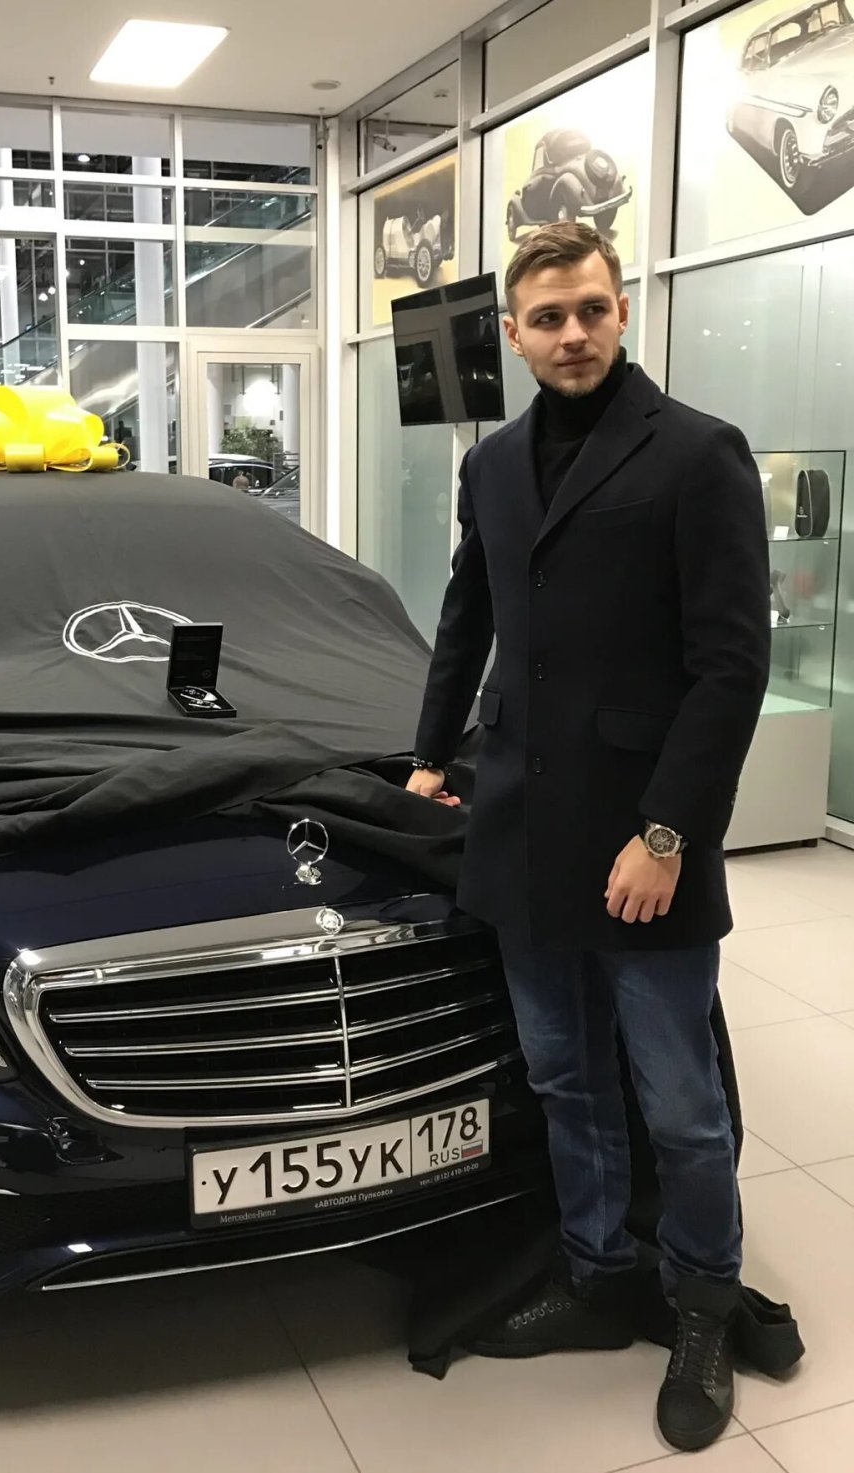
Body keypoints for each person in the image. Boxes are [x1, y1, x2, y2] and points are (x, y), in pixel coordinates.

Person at [406, 222, 770, 1453]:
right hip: (521, 824)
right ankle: (597, 1272)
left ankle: (702, 1302)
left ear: (622, 313)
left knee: (680, 1099)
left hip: (641, 838)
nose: (573, 334)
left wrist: (668, 833)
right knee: (564, 1076)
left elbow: (731, 665)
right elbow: (469, 616)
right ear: (513, 333)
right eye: (549, 317)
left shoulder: (698, 453)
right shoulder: (493, 464)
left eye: (592, 310)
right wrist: (428, 752)